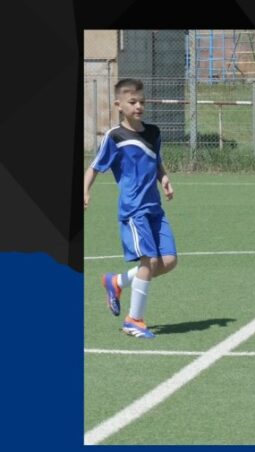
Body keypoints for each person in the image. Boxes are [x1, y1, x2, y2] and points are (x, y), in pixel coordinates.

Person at [84, 78, 177, 339]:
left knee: (169, 261)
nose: (139, 106)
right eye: (132, 102)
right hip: (134, 210)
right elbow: (94, 167)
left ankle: (117, 282)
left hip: (155, 209)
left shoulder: (154, 132)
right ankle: (134, 320)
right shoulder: (115, 137)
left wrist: (164, 178)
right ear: (119, 105)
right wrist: (85, 190)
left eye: (142, 102)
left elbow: (156, 161)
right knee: (150, 260)